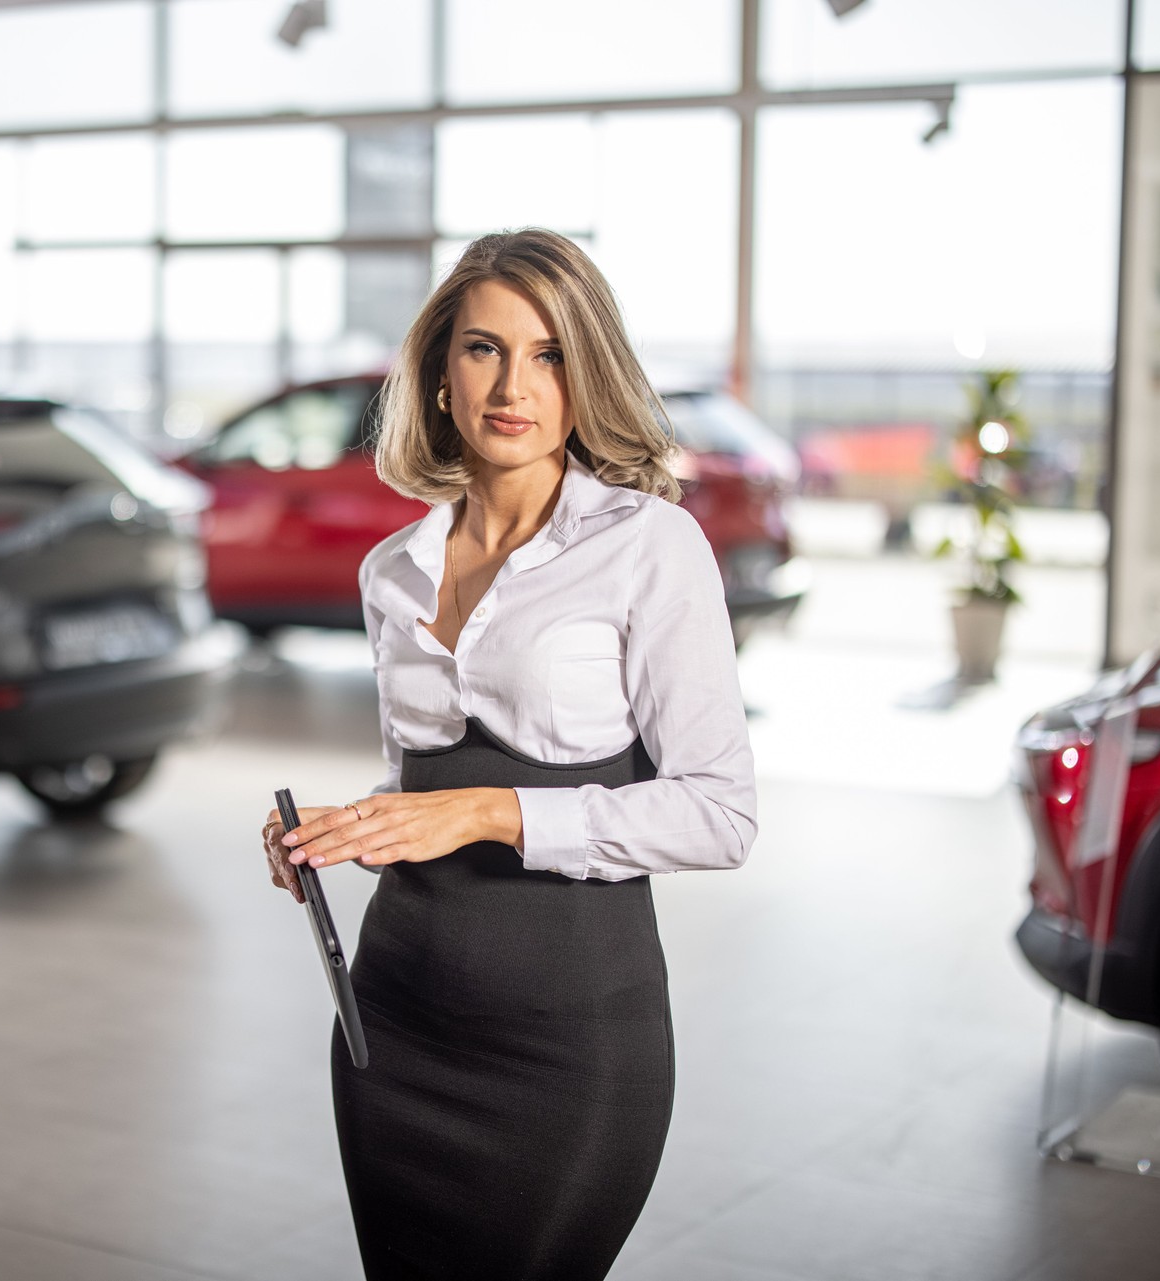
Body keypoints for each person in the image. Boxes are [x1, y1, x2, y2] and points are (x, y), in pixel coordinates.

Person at [261, 229, 757, 1281]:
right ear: (440, 372)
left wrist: (495, 812)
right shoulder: (392, 569)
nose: (513, 386)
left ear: (590, 374)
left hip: (569, 1049)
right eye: (485, 349)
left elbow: (720, 813)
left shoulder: (649, 545)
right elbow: (420, 785)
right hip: (391, 1031)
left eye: (550, 355)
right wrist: (342, 830)